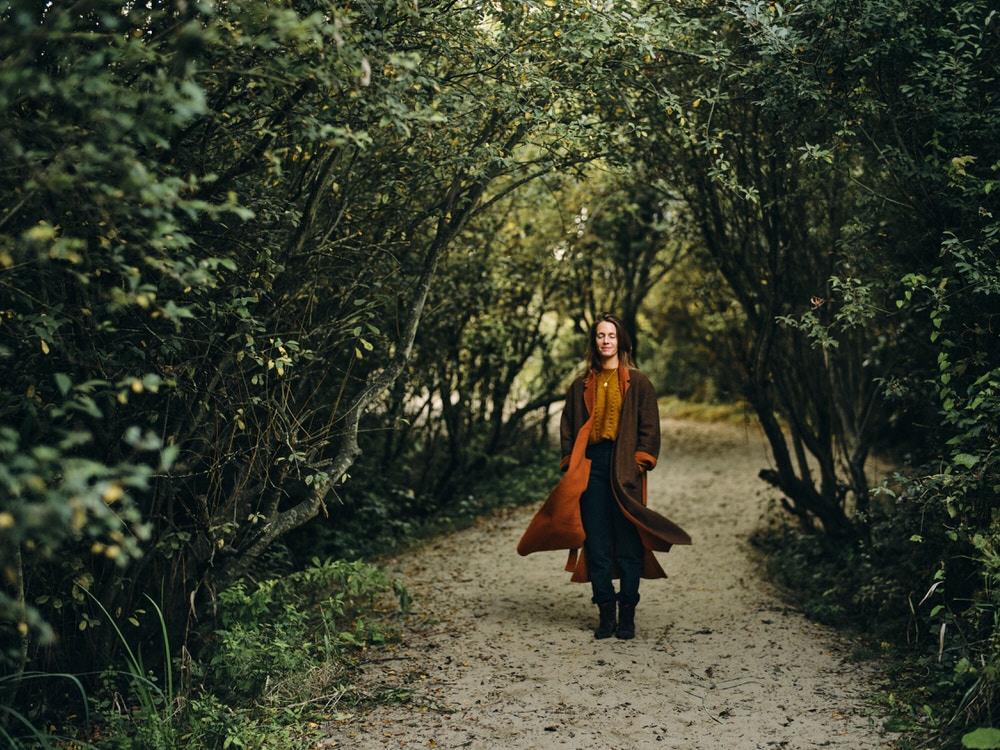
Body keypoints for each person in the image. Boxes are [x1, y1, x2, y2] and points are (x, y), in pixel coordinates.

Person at [517, 312, 691, 639]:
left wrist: (638, 463)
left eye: (611, 335)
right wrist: (572, 464)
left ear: (620, 340)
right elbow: (567, 427)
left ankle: (627, 615)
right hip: (591, 466)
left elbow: (650, 429)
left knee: (628, 542)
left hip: (625, 466)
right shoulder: (582, 383)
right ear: (594, 341)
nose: (606, 340)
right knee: (595, 542)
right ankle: (605, 615)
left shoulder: (638, 382)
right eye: (600, 335)